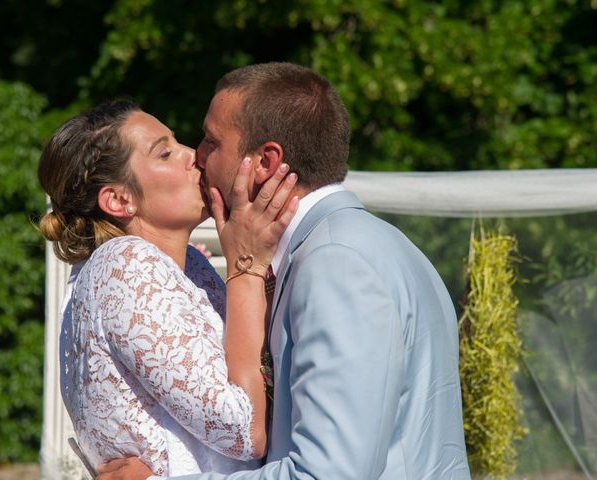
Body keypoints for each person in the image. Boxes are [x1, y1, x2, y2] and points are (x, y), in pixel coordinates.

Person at [98, 63, 471, 479]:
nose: (197, 155)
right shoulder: (380, 244)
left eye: (211, 140)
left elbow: (327, 474)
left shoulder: (336, 264)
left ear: (264, 162)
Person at [37, 100, 299, 477]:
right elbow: (242, 431)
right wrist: (245, 267)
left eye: (179, 143)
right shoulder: (124, 265)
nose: (193, 156)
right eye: (165, 152)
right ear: (118, 199)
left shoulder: (192, 265)